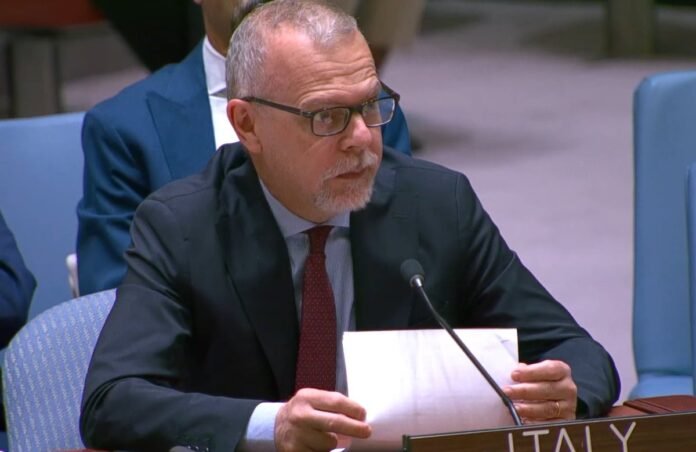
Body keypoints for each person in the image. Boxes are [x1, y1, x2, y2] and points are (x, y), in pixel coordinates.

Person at [80, 1, 620, 450]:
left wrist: (567, 390)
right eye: (327, 116)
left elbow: (580, 352)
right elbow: (112, 401)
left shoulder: (436, 203)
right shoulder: (182, 225)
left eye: (370, 106)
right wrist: (271, 424)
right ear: (248, 125)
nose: (362, 139)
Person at [76, 0, 413, 296]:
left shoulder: (371, 113)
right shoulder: (125, 128)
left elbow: (399, 260)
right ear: (245, 123)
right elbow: (117, 301)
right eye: (324, 115)